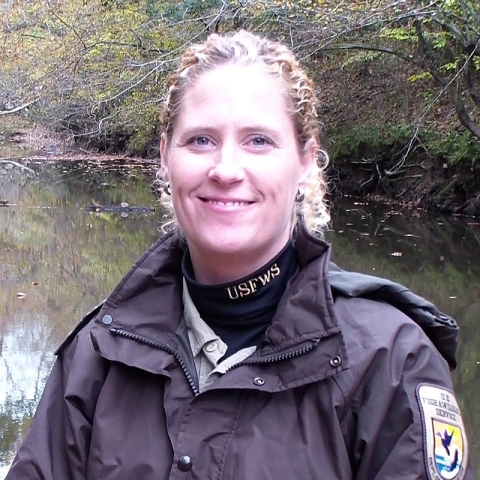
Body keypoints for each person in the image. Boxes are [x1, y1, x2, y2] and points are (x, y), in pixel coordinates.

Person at [6, 30, 472, 480]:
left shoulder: (390, 360)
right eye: (201, 140)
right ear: (167, 157)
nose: (226, 169)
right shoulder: (98, 354)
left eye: (259, 141)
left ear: (306, 162)